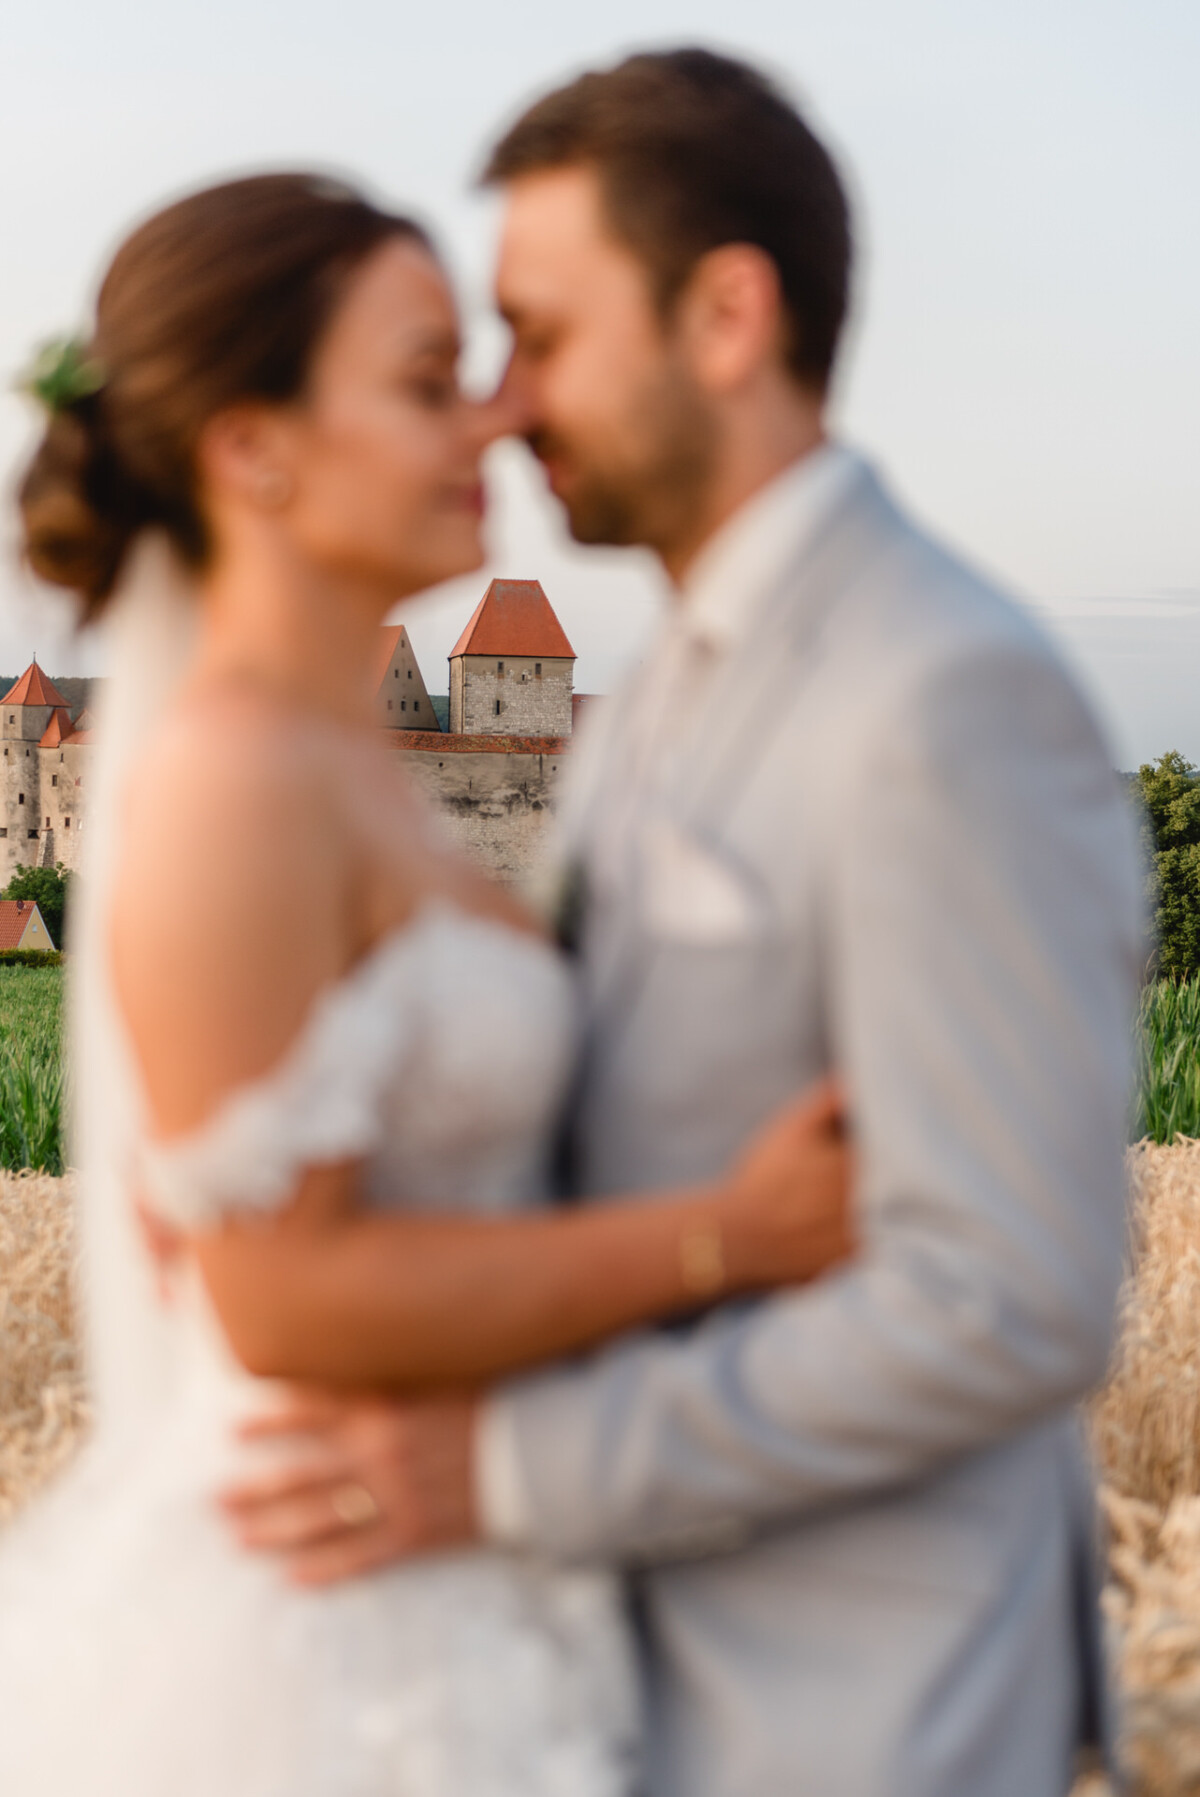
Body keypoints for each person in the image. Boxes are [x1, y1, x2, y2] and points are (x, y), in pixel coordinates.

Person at [228, 51, 1145, 1797]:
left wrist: (504, 1471)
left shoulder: (944, 696)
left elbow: (1009, 1298)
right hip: (626, 1696)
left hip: (864, 1716)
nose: (501, 404)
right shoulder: (653, 695)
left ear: (728, 316)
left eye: (543, 335)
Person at [0, 172, 855, 1797]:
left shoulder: (359, 770)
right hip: (321, 1629)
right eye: (424, 380)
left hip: (468, 1565)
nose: (492, 422)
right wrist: (725, 1236)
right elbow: (282, 1291)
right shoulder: (233, 777)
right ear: (253, 447)